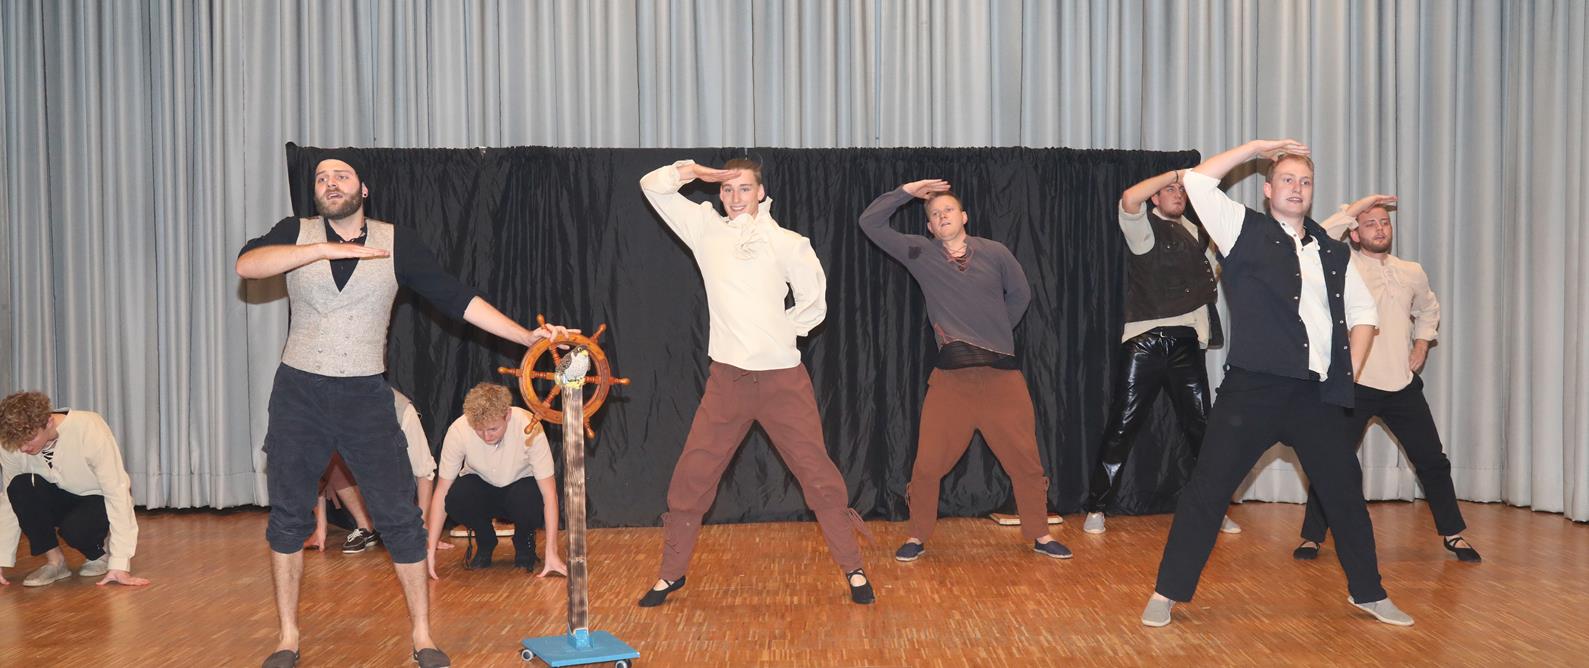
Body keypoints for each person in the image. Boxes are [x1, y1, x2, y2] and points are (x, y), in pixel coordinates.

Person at [236, 153, 569, 668]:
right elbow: (247, 266)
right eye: (321, 177)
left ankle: (422, 637)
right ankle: (287, 639)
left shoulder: (397, 242)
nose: (330, 183)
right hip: (299, 392)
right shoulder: (294, 233)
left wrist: (526, 336)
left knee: (398, 516)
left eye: (341, 175)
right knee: (287, 517)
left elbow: (458, 299)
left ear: (362, 189)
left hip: (365, 395)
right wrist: (321, 248)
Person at [1141, 139, 1414, 628]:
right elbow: (1198, 181)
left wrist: (1347, 373)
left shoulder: (1332, 251)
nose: (1297, 188)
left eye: (1305, 182)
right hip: (1253, 388)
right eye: (1286, 179)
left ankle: (1369, 593)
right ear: (1268, 189)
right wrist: (1257, 148)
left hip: (1315, 394)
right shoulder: (1242, 228)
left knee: (1345, 494)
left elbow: (1362, 314)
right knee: (1208, 489)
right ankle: (1167, 592)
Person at [635, 158, 872, 606]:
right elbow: (651, 185)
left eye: (744, 188)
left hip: (783, 382)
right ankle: (671, 574)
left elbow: (814, 303)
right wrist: (696, 173)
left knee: (817, 474)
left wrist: (780, 332)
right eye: (728, 189)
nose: (735, 197)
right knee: (693, 476)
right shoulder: (705, 229)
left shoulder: (788, 242)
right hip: (727, 381)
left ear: (761, 192)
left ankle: (853, 567)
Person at [857, 179, 1071, 562]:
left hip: (1002, 379)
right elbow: (870, 223)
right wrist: (907, 192)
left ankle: (1040, 533)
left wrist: (995, 332)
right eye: (935, 214)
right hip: (951, 382)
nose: (942, 217)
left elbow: (1021, 295)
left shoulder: (995, 252)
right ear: (929, 226)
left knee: (1026, 461)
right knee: (927, 464)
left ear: (964, 216)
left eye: (949, 210)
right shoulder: (921, 253)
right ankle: (916, 536)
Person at [1287, 195, 1480, 562]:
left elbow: (1428, 309)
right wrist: (1359, 207)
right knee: (1332, 462)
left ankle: (1454, 533)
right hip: (1354, 385)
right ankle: (1312, 536)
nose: (1379, 228)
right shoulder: (1342, 264)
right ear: (1355, 234)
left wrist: (1421, 344)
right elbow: (1318, 235)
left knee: (1432, 460)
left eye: (1384, 222)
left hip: (1401, 385)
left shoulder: (1411, 270)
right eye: (1370, 223)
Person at [1082, 170, 1239, 535]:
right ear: (1155, 196)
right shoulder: (1143, 228)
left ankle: (1215, 510)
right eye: (1169, 189)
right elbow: (1129, 198)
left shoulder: (1197, 232)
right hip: (1146, 340)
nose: (1177, 193)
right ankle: (1096, 507)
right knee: (1123, 423)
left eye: (1181, 190)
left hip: (1186, 342)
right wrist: (1175, 173)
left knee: (1202, 428)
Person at [0, 391, 149, 588]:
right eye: (17, 443)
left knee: (76, 529)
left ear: (49, 422)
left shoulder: (89, 427)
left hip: (96, 499)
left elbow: (117, 491)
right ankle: (56, 562)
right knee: (19, 486)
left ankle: (98, 553)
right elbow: (10, 500)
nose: (23, 448)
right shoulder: (11, 445)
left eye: (30, 439)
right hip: (58, 499)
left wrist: (120, 563)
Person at [424, 383, 565, 577]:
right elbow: (441, 491)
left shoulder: (529, 426)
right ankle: (485, 540)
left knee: (532, 499)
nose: (486, 436)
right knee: (456, 497)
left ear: (507, 415)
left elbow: (549, 494)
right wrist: (430, 551)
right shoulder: (458, 430)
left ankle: (524, 542)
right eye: (479, 430)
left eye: (493, 429)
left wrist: (552, 552)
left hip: (520, 488)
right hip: (482, 486)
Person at [304, 388, 442, 554]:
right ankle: (365, 526)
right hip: (364, 476)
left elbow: (425, 472)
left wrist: (423, 528)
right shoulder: (331, 406)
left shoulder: (402, 410)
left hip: (397, 479)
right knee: (329, 455)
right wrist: (320, 527)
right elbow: (316, 466)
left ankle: (400, 521)